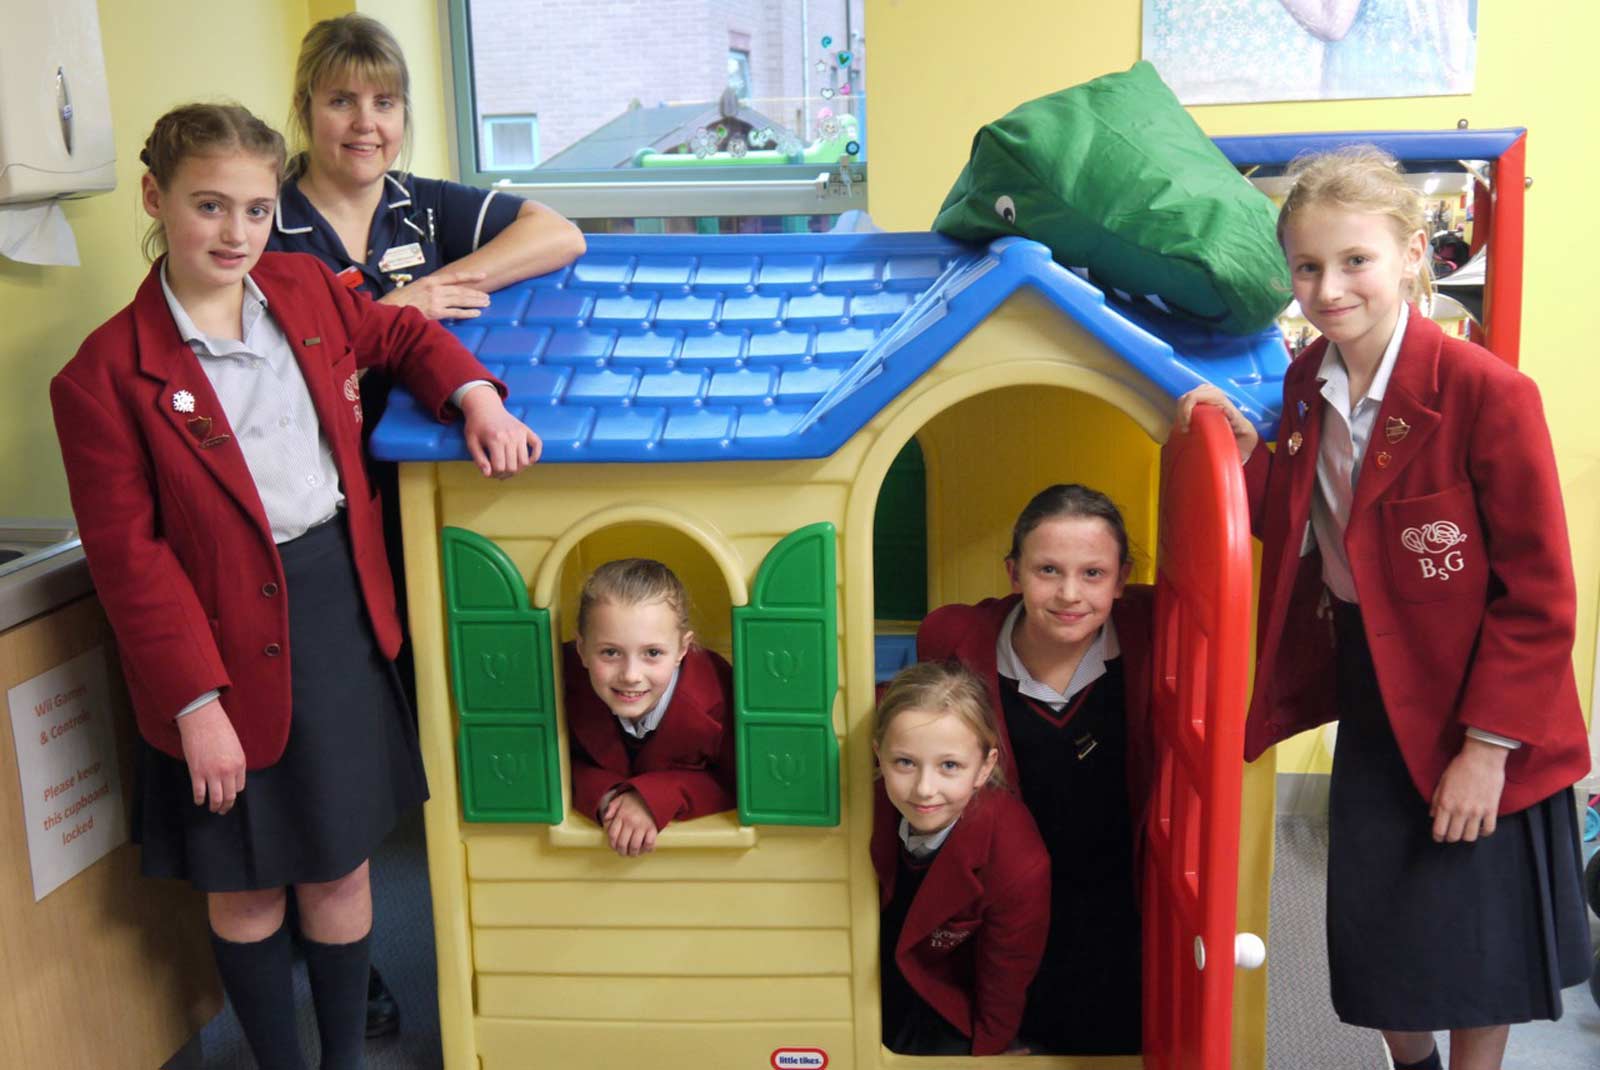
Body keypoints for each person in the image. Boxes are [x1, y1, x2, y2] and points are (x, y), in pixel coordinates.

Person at [49, 102, 539, 1070]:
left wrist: (475, 393)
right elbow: (131, 561)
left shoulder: (306, 287)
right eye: (209, 206)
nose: (236, 233)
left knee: (342, 862)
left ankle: (346, 1058)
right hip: (214, 642)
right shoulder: (102, 376)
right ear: (156, 199)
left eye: (257, 209)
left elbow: (397, 340)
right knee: (247, 886)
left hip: (335, 611)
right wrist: (196, 704)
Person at [1178, 146, 1591, 1070]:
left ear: (1412, 255)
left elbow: (1540, 593)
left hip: (1480, 697)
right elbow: (1307, 519)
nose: (1329, 288)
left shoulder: (1487, 393)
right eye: (1309, 266)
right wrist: (1242, 455)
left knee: (1482, 932)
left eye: (1355, 260)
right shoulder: (1303, 384)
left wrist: (1487, 752)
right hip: (1373, 679)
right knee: (1373, 923)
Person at [268, 15, 583, 1029]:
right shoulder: (264, 222)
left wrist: (459, 278)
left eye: (384, 101)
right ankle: (345, 968)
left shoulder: (421, 202)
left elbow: (559, 231)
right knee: (323, 742)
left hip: (403, 506)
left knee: (397, 717)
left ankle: (394, 927)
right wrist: (401, 302)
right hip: (305, 518)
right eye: (341, 100)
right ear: (307, 110)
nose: (365, 122)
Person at [915, 484, 1151, 1055]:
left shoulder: (1158, 630)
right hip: (1003, 888)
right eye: (1048, 569)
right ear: (1014, 572)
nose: (1070, 594)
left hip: (1120, 890)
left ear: (1122, 579)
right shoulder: (956, 638)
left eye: (1093, 573)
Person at [870, 660, 1050, 1056]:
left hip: (949, 999)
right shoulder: (865, 808)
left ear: (984, 767)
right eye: (904, 763)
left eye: (949, 766)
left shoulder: (1016, 859)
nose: (924, 789)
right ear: (878, 755)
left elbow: (1006, 975)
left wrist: (988, 1053)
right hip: (874, 977)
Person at [562, 559, 736, 857]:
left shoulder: (717, 693)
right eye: (610, 652)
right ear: (582, 649)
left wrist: (652, 797)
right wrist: (611, 795)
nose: (630, 674)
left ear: (682, 648)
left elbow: (738, 780)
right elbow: (549, 762)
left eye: (652, 653)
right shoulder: (561, 679)